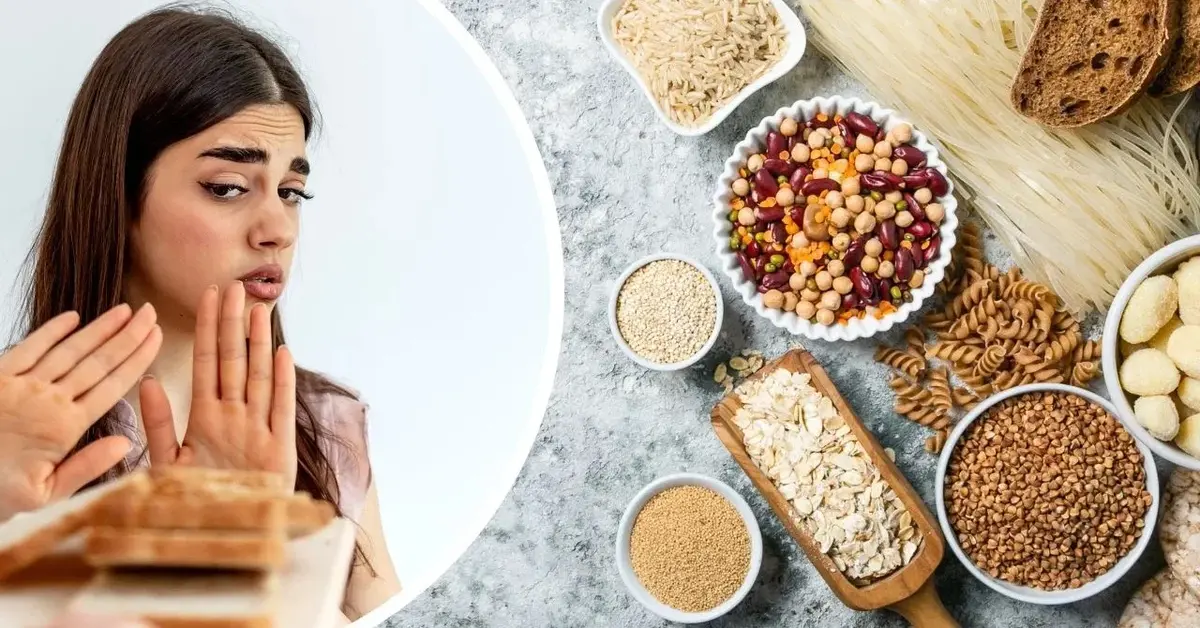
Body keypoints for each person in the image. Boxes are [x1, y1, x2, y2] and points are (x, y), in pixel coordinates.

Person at [0, 6, 401, 621]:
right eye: (228, 187)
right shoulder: (11, 433)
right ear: (117, 194)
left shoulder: (328, 428)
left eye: (292, 193)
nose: (277, 230)